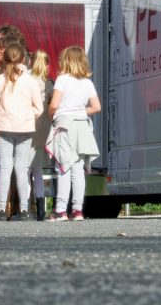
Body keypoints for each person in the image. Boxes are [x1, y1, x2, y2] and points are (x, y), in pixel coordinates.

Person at [0, 42, 42, 221]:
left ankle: (1, 209)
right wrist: (28, 117)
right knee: (21, 167)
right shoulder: (30, 81)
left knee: (5, 167)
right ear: (24, 58)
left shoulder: (0, 79)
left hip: (4, 127)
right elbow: (39, 108)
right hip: (25, 128)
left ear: (5, 57)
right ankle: (24, 210)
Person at [46, 46, 101, 221]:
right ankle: (77, 210)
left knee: (63, 167)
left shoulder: (62, 80)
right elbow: (97, 107)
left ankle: (61, 209)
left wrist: (51, 116)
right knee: (78, 169)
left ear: (66, 61)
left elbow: (54, 105)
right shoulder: (87, 83)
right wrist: (80, 112)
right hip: (82, 127)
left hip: (65, 126)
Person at [29, 50, 54, 221]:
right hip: (43, 129)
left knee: (24, 169)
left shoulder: (26, 80)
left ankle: (24, 206)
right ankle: (40, 209)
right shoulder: (48, 84)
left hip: (26, 126)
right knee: (37, 170)